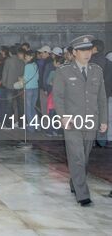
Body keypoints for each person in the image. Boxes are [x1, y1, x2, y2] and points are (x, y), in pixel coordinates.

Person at [53, 35, 108, 207]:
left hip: (91, 121)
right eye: (83, 50)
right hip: (72, 122)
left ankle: (74, 181)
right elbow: (58, 97)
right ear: (74, 52)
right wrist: (63, 116)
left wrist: (104, 120)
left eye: (89, 50)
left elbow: (102, 98)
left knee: (84, 157)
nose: (87, 54)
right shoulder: (64, 71)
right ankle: (82, 193)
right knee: (77, 156)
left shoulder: (97, 70)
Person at [88, 39, 112, 146]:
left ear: (94, 48)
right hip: (105, 94)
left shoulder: (90, 62)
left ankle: (91, 141)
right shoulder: (108, 63)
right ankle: (102, 141)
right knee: (104, 117)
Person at [1, 46, 26, 127]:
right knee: (20, 105)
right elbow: (23, 74)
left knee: (9, 105)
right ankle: (21, 124)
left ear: (10, 53)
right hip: (19, 85)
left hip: (10, 85)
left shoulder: (8, 61)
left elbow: (5, 73)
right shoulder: (21, 61)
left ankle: (9, 125)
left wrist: (4, 83)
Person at [23, 50, 40, 131]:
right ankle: (37, 126)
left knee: (28, 108)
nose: (25, 57)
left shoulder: (27, 66)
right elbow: (37, 77)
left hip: (29, 89)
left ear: (31, 57)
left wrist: (20, 79)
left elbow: (25, 79)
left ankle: (31, 127)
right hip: (36, 88)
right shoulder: (35, 65)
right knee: (33, 108)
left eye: (27, 56)